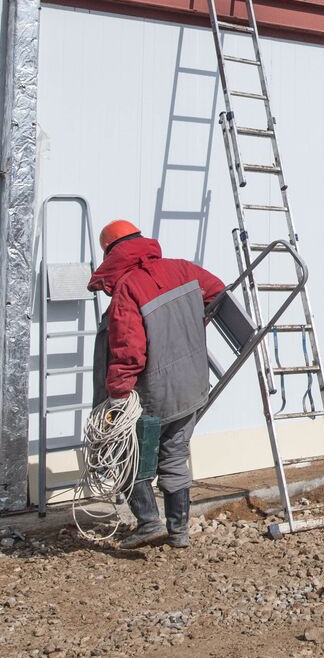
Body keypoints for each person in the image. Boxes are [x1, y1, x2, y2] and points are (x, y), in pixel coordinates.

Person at [87, 220, 225, 550]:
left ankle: (149, 522)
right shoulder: (184, 269)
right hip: (191, 388)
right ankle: (178, 531)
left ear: (110, 253)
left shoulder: (127, 289)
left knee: (126, 453)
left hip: (153, 396)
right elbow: (217, 292)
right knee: (175, 456)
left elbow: (128, 351)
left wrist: (118, 396)